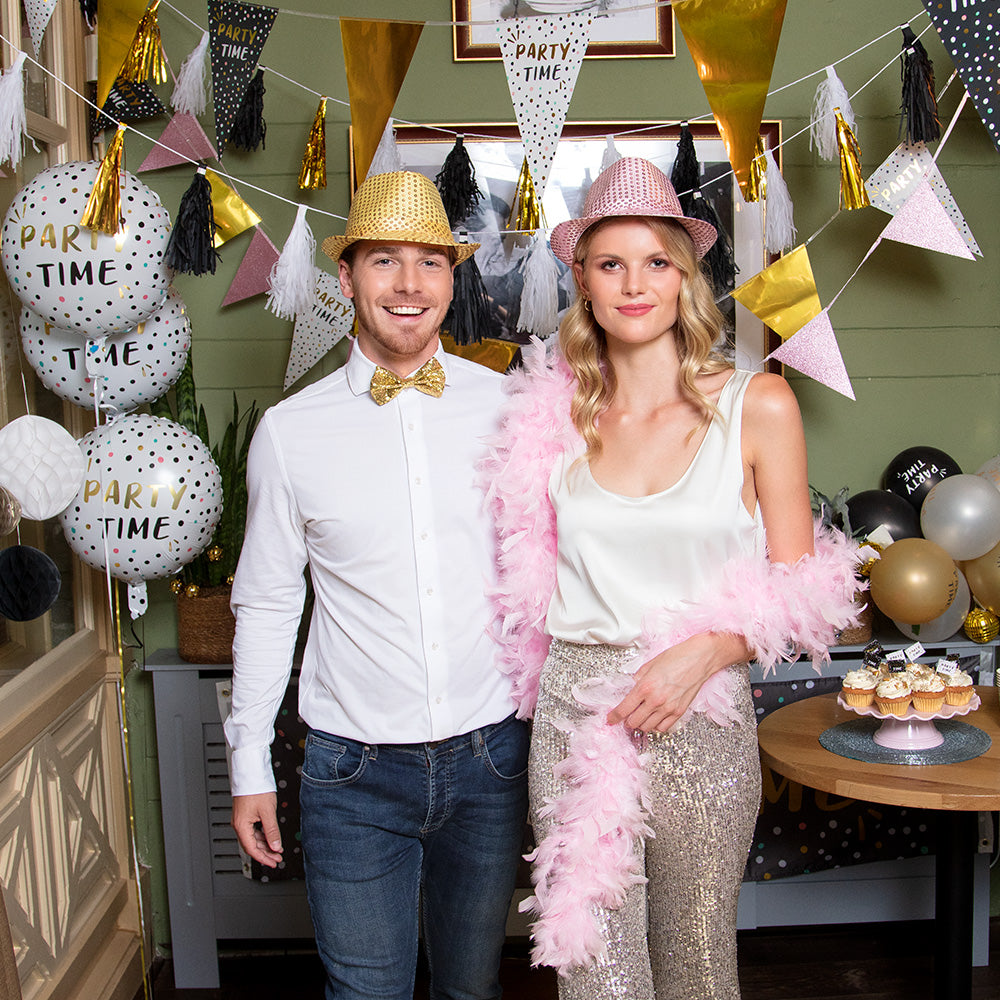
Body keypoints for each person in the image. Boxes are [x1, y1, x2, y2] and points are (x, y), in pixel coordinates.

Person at [480, 157, 861, 999]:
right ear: (583, 282)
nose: (634, 284)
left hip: (702, 708)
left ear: (685, 276)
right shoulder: (550, 416)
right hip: (578, 708)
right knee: (595, 973)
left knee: (696, 960)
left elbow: (806, 594)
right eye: (610, 264)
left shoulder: (758, 405)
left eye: (656, 261)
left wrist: (706, 653)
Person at [225, 171, 529, 1000]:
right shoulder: (290, 434)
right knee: (365, 994)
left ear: (452, 279)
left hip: (492, 756)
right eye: (384, 261)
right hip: (351, 770)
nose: (409, 284)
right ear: (346, 276)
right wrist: (248, 763)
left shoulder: (511, 409)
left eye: (430, 262)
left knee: (471, 988)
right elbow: (267, 603)